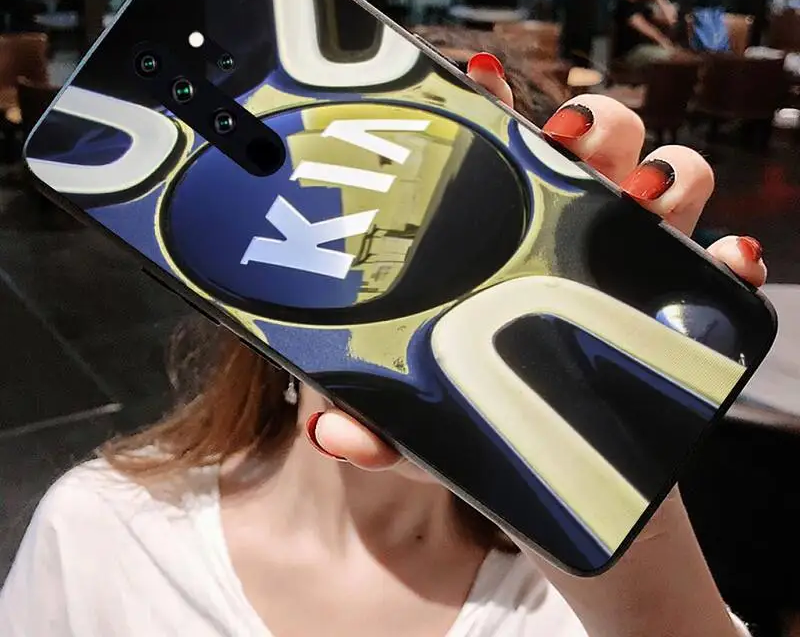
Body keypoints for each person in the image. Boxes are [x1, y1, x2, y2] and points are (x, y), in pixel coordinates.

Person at [0, 56, 763, 636]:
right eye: (362, 229)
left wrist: (623, 525)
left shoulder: (576, 603)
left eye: (469, 240)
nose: (409, 286)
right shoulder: (100, 534)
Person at [614, 0, 680, 67]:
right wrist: (664, 42)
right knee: (672, 56)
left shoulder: (642, 6)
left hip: (645, 49)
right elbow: (646, 28)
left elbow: (670, 20)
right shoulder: (624, 6)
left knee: (678, 54)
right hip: (631, 53)